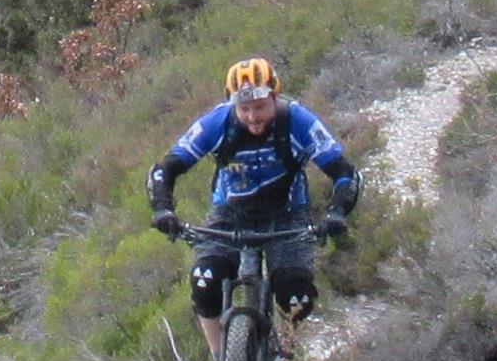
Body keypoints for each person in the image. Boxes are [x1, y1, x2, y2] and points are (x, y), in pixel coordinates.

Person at [152, 55, 361, 328]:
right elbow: (165, 169)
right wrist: (163, 209)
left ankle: (287, 347)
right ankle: (219, 355)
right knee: (205, 282)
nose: (253, 117)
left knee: (297, 298)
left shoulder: (298, 121)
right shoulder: (217, 123)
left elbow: (344, 172)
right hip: (229, 214)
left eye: (260, 107)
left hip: (287, 214)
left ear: (275, 97)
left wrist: (337, 213)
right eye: (244, 109)